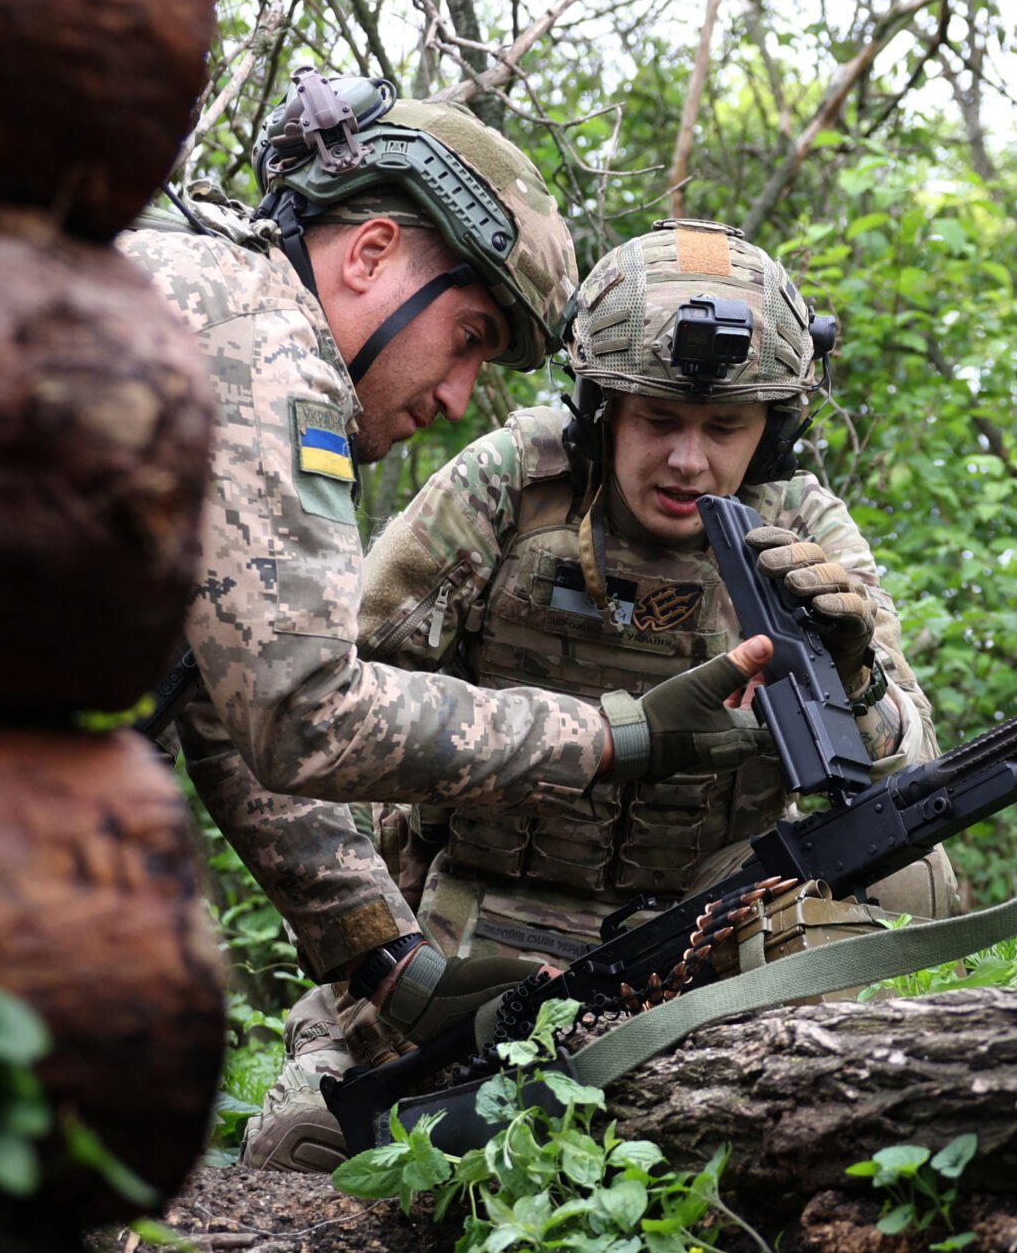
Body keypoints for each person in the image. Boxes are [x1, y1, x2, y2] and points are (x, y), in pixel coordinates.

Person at [241, 219, 958, 1169]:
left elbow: (909, 773)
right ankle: (338, 1036)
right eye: (659, 418)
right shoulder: (513, 488)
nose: (689, 460)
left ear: (772, 430)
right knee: (327, 1143)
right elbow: (329, 699)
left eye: (725, 427)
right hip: (480, 919)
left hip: (705, 926)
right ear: (603, 407)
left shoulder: (804, 531)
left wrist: (856, 675)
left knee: (894, 936)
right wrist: (381, 954)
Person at [120, 71, 777, 1057]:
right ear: (373, 251)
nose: (459, 398)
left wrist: (383, 957)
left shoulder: (198, 294)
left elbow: (223, 697)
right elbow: (309, 714)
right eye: (468, 339)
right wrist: (611, 733)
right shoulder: (270, 350)